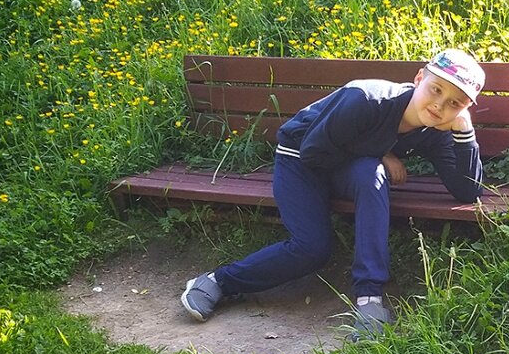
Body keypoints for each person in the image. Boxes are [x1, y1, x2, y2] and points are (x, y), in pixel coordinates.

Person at [180, 48, 486, 338]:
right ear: (420, 78)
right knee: (311, 249)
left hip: (350, 165)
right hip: (301, 159)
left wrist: (463, 132)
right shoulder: (367, 98)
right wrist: (381, 151)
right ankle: (219, 281)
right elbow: (314, 152)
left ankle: (370, 299)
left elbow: (466, 190)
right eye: (436, 90)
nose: (440, 105)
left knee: (371, 175)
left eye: (455, 103)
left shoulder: (439, 129)